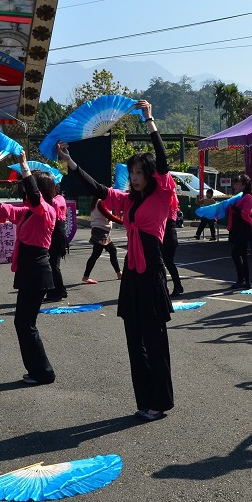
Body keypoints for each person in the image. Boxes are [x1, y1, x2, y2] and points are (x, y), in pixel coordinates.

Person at [57, 100, 176, 421]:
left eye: (140, 173)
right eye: (133, 173)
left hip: (151, 271)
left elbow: (164, 162)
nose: (135, 178)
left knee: (154, 340)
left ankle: (160, 402)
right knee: (133, 340)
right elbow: (97, 187)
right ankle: (144, 401)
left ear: (150, 175)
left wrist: (150, 121)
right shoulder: (129, 200)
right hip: (133, 273)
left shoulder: (163, 193)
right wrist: (70, 161)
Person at [0, 151, 57, 386]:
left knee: (26, 324)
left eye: (30, 186)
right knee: (22, 323)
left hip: (37, 270)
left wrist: (24, 166)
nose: (25, 190)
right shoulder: (27, 211)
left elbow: (36, 198)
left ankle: (44, 372)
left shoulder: (46, 211)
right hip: (28, 269)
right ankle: (37, 370)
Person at [82, 198, 123, 284]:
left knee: (107, 252)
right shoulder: (100, 202)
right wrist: (122, 221)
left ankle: (119, 273)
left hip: (101, 231)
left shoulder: (97, 202)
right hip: (101, 231)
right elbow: (108, 215)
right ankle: (86, 277)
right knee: (102, 253)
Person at [226, 173, 252, 289]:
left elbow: (246, 213)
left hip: (243, 228)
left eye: (237, 183)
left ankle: (244, 280)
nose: (235, 186)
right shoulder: (237, 196)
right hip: (236, 227)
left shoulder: (247, 196)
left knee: (238, 254)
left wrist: (234, 208)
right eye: (235, 184)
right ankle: (243, 280)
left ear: (244, 185)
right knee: (239, 254)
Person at [45, 182, 69, 302]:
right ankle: (55, 291)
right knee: (52, 265)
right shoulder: (57, 199)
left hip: (57, 236)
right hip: (56, 235)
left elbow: (53, 208)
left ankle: (59, 292)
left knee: (53, 266)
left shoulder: (57, 199)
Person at [162, 186, 184, 297]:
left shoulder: (169, 206)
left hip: (169, 238)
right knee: (167, 263)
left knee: (168, 263)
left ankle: (177, 286)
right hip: (167, 237)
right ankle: (176, 286)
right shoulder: (171, 205)